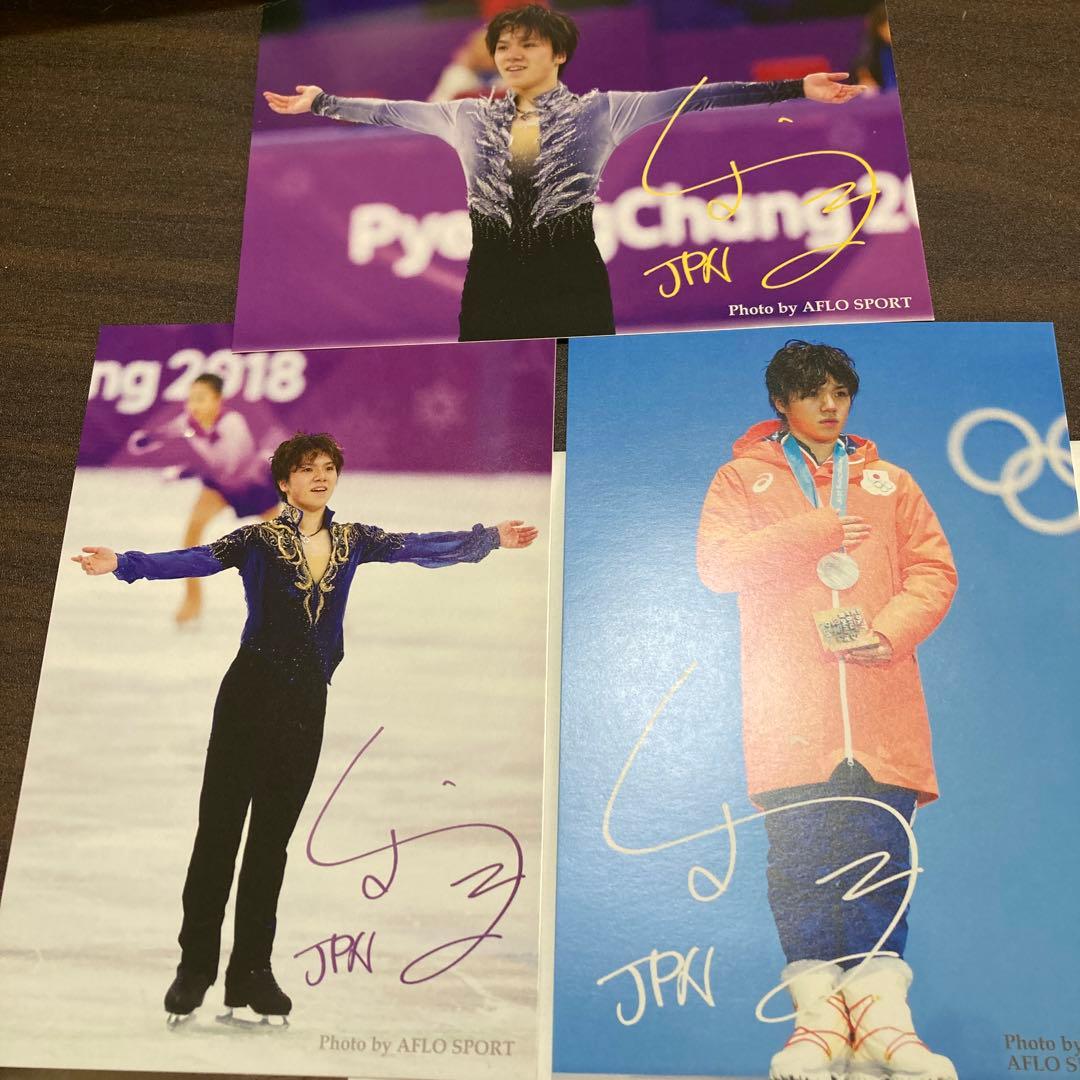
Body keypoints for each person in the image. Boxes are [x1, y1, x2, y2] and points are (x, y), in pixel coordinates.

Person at [73, 432, 539, 1024]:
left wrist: (488, 538)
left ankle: (252, 974)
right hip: (247, 698)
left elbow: (417, 546)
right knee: (218, 836)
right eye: (306, 468)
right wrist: (124, 563)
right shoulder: (258, 540)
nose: (320, 476)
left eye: (328, 468)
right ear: (284, 481)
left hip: (305, 704)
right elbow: (196, 559)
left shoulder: (354, 540)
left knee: (271, 844)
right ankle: (195, 969)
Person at [263, 5, 866, 343]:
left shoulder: (603, 111)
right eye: (503, 46)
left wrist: (796, 88)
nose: (512, 55)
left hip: (572, 278)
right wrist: (322, 102)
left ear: (558, 54)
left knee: (577, 394)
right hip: (492, 282)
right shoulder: (465, 117)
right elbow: (386, 112)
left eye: (527, 45)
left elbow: (699, 98)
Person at [695, 341, 958, 1080]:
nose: (830, 405)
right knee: (800, 862)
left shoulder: (890, 482)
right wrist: (815, 530)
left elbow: (934, 570)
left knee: (882, 858)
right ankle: (816, 1024)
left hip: (879, 703)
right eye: (813, 393)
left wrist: (890, 630)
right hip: (792, 707)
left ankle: (885, 1025)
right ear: (782, 402)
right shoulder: (742, 478)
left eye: (841, 392)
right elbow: (717, 564)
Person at [127, 373, 281, 625]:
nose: (193, 405)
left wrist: (182, 473)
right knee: (193, 532)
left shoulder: (232, 423)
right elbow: (168, 431)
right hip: (219, 487)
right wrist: (147, 438)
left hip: (252, 485)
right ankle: (193, 600)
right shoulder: (189, 420)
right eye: (191, 399)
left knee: (283, 542)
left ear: (218, 400)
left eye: (201, 399)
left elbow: (227, 467)